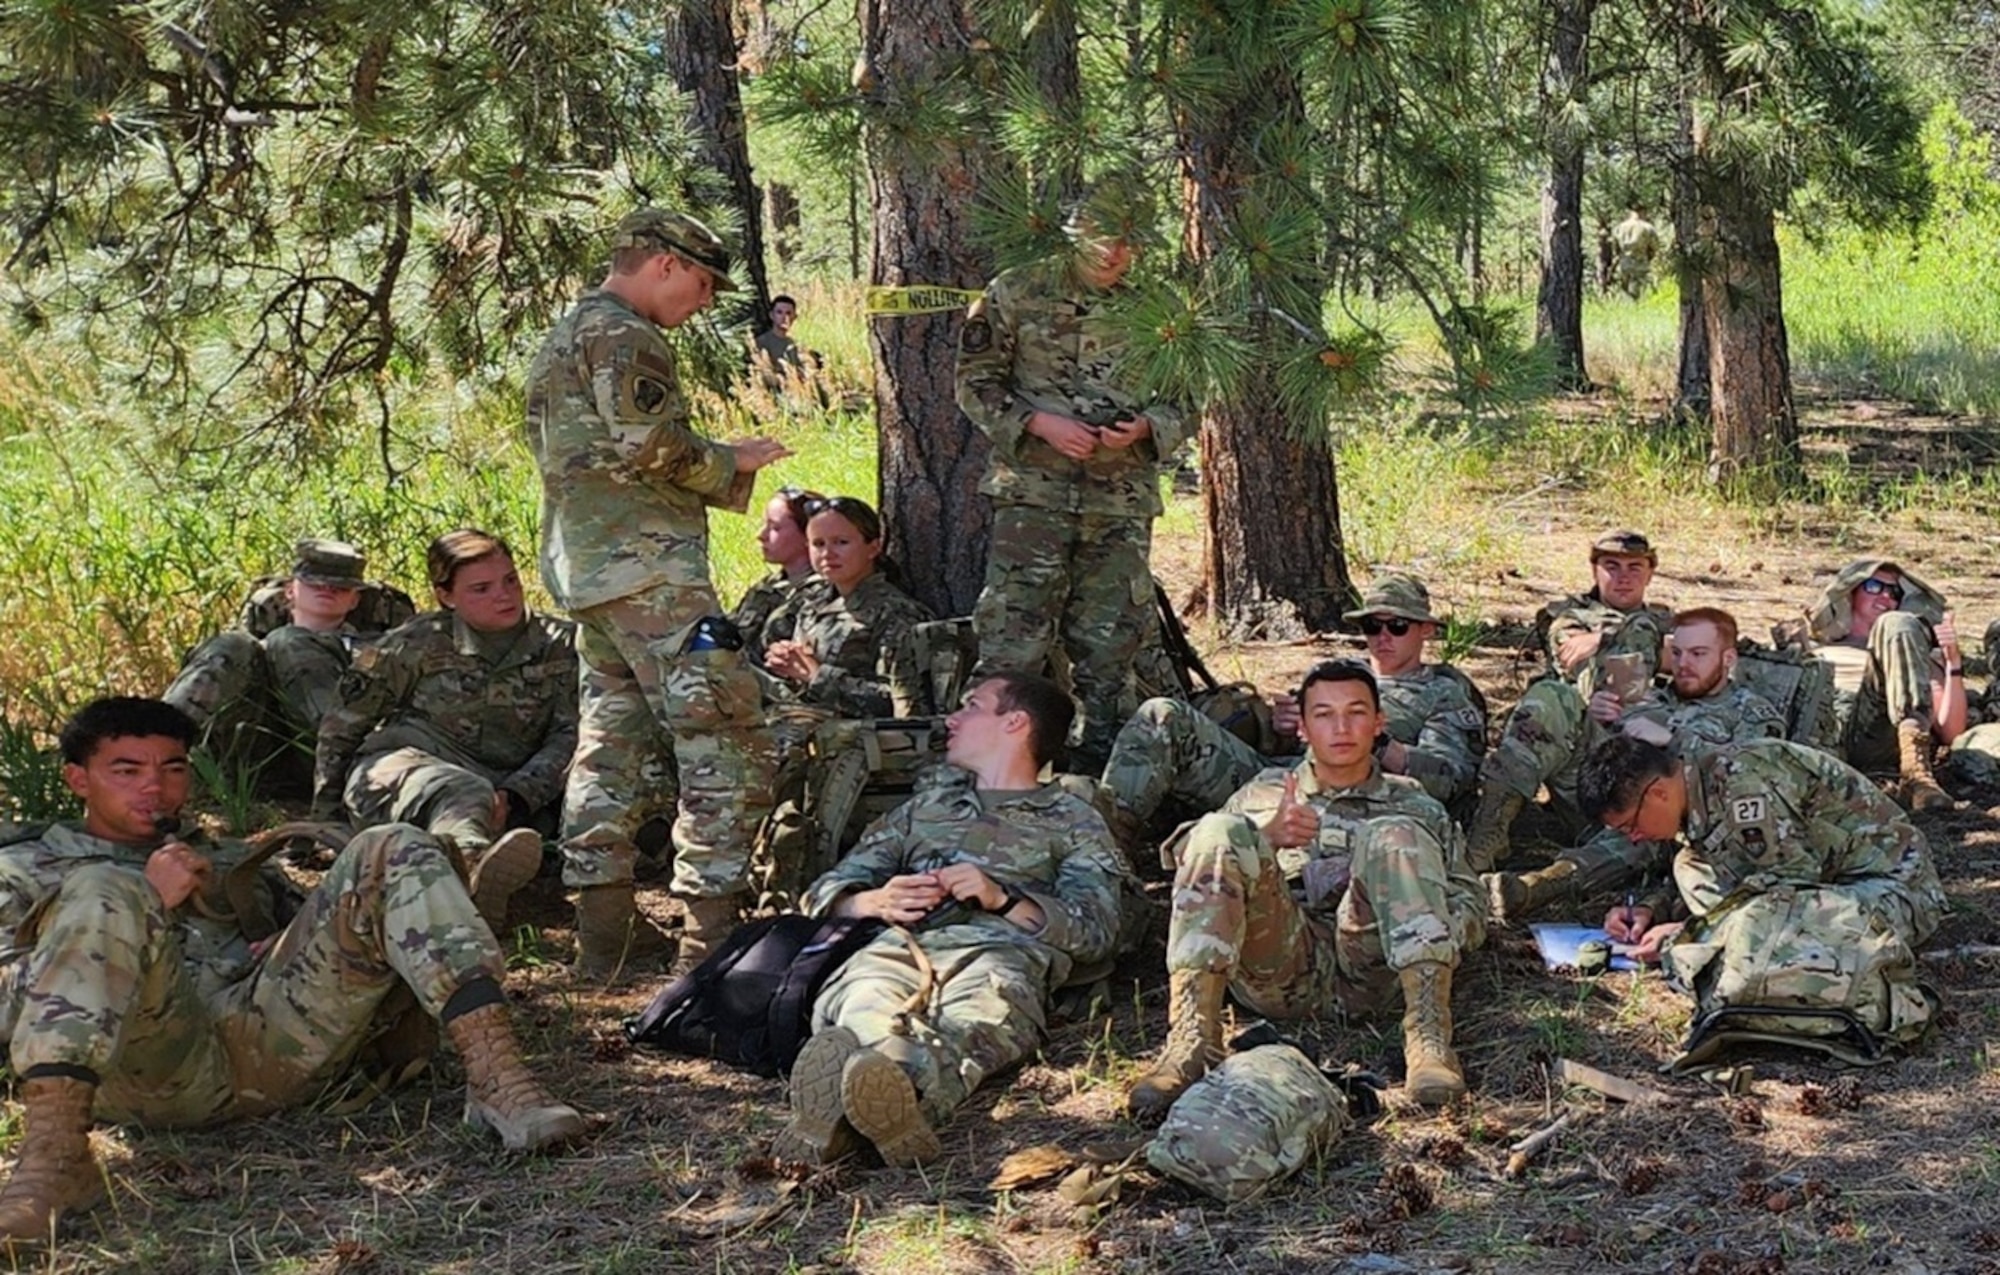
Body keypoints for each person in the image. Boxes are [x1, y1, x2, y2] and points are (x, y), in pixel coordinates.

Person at [0, 698, 582, 1248]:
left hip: (270, 1044)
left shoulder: (226, 858)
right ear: (79, 779)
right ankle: (56, 1158)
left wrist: (289, 941)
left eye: (172, 768)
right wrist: (146, 899)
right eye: (126, 770)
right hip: (144, 1064)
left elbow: (319, 938)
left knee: (390, 846)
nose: (155, 786)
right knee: (106, 889)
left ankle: (499, 1082)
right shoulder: (22, 869)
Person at [522, 207, 790, 979]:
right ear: (664, 264)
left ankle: (603, 936)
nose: (703, 303)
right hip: (650, 575)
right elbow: (652, 446)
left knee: (610, 745)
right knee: (721, 736)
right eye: (702, 284)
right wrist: (729, 458)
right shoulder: (626, 334)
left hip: (589, 574)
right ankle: (709, 943)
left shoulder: (567, 331)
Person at [772, 672, 1124, 1166]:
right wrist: (873, 901)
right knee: (862, 1002)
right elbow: (820, 893)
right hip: (900, 946)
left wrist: (1002, 899)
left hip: (1001, 954)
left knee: (979, 1019)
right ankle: (872, 1094)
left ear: (1015, 723)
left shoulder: (1073, 818)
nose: (952, 719)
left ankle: (879, 1103)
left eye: (972, 706)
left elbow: (1098, 930)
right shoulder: (926, 809)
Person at [1126, 660, 1486, 1116]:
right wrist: (1266, 837)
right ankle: (1192, 1039)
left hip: (1376, 970)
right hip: (1281, 967)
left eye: (1356, 713)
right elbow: (1190, 858)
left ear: (1379, 723)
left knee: (1395, 832)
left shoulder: (1414, 802)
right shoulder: (1266, 791)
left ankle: (1429, 1038)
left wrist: (1415, 908)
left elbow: (1469, 900)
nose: (1341, 728)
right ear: (1302, 727)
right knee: (1222, 829)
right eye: (1323, 714)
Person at [956, 177, 1186, 773]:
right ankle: (984, 774)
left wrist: (1144, 429)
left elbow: (1189, 397)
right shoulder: (1015, 292)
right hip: (1033, 496)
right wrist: (1037, 423)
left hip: (1120, 500)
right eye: (1102, 237)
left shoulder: (1157, 307)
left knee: (1109, 646)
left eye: (1128, 242)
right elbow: (974, 383)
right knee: (1013, 637)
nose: (1114, 253)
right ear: (1073, 232)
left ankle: (1102, 786)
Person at [1577, 734, 1943, 1058]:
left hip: (1894, 890)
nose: (1634, 838)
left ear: (1657, 792)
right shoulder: (1697, 789)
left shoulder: (1741, 782)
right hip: (1829, 890)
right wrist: (1650, 909)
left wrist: (1687, 934)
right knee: (1688, 867)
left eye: (1630, 825)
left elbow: (1787, 895)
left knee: (1767, 940)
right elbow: (1734, 873)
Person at [1096, 573, 1485, 854]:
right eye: (1372, 625)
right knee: (1163, 715)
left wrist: (1374, 742)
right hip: (1274, 782)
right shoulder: (1337, 672)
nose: (1383, 637)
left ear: (1426, 631)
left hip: (1357, 802)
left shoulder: (1445, 694)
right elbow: (1285, 740)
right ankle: (1104, 845)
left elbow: (1448, 780)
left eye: (1397, 626)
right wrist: (1283, 727)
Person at [311, 531, 576, 932]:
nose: (504, 596)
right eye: (481, 589)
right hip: (410, 770)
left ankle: (458, 864)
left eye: (510, 580)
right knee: (463, 792)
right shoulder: (414, 643)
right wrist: (323, 820)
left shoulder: (562, 644)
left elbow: (569, 734)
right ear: (445, 596)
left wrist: (518, 795)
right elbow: (342, 727)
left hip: (511, 787)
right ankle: (472, 875)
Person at [1483, 607, 1785, 922]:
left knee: (1647, 814)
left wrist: (1674, 739)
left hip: (1666, 825)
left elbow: (1751, 775)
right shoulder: (1654, 696)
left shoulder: (1752, 714)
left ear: (1728, 659)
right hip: (1598, 802)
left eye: (1698, 654)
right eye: (1678, 653)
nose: (1684, 664)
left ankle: (1540, 885)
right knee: (1555, 697)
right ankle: (1487, 835)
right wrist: (1593, 713)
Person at [1464, 530, 1673, 870]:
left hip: (1652, 775)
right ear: (1594, 570)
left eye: (1635, 567)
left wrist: (1607, 638)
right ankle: (1489, 833)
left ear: (1651, 572)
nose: (1623, 577)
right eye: (1612, 566)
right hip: (1592, 762)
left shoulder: (1665, 624)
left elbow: (1703, 660)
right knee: (1551, 697)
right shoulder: (1571, 618)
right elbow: (1572, 657)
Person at [164, 538, 374, 792]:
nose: (327, 588)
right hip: (250, 759)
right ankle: (150, 748)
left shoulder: (373, 648)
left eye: (340, 587)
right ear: (290, 590)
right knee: (232, 644)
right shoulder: (248, 651)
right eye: (314, 582)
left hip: (334, 763)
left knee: (287, 641)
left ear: (355, 601)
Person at [1793, 559, 1964, 810]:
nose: (1886, 596)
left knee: (1898, 623)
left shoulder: (1909, 650)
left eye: (1894, 592)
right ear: (1850, 592)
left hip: (1872, 732)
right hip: (1816, 729)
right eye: (1874, 586)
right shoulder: (1811, 647)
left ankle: (1916, 775)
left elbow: (1952, 732)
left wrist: (1953, 664)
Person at [763, 496, 936, 719]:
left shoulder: (896, 613)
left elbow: (903, 705)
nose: (827, 553)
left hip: (857, 743)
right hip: (799, 723)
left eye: (841, 542)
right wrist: (786, 661)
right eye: (818, 544)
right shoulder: (813, 601)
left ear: (873, 547)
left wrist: (816, 675)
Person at [729, 486, 829, 665]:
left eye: (774, 527)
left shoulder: (824, 594)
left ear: (809, 535)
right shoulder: (768, 586)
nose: (761, 535)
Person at [1612, 206, 1660, 298]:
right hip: (1640, 262)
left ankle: (1627, 309)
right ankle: (1639, 308)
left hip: (1624, 263)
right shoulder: (1648, 227)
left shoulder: (1619, 227)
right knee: (1640, 291)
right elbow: (1655, 246)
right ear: (1642, 212)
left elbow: (1615, 248)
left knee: (1625, 291)